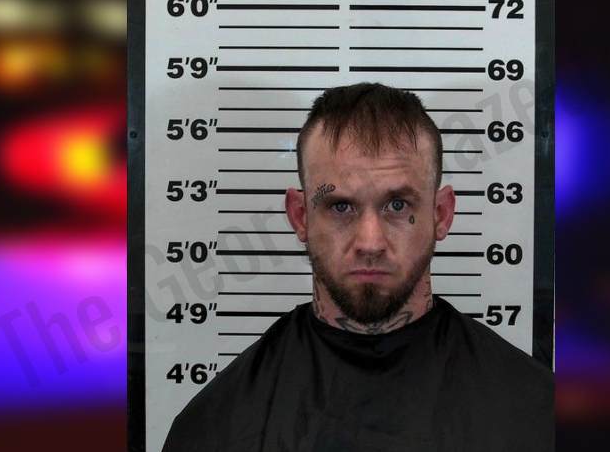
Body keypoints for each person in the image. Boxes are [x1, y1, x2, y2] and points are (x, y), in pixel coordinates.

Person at [162, 82, 553, 452]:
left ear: (440, 214)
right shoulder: (214, 428)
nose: (370, 242)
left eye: (397, 205)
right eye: (340, 206)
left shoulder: (537, 414)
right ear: (300, 216)